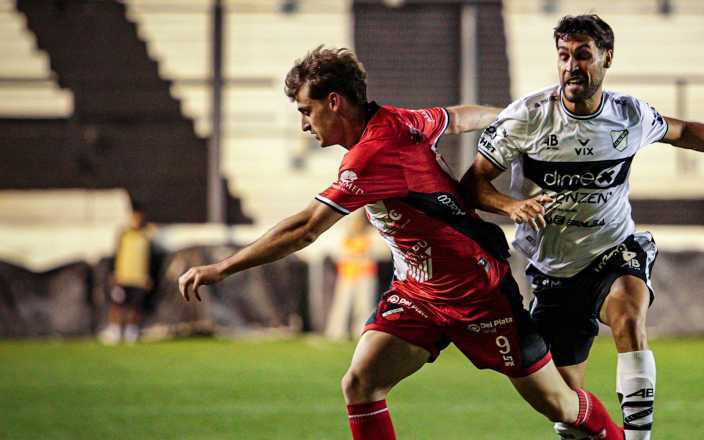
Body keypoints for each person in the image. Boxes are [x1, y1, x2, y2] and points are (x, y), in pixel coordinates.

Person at [177, 46, 624, 440]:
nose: (304, 125)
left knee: (562, 406)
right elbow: (458, 115)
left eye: (305, 111)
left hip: (477, 294)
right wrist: (512, 114)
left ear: (334, 102)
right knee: (361, 382)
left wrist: (223, 268)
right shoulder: (400, 119)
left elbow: (306, 229)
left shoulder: (371, 155)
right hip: (417, 295)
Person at [459, 15, 704, 440]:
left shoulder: (628, 115)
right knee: (565, 407)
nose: (571, 66)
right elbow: (471, 183)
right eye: (564, 56)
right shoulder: (529, 116)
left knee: (628, 316)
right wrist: (512, 205)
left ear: (606, 58)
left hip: (613, 248)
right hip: (553, 270)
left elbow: (684, 130)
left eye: (583, 55)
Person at [100, 200, 156, 344]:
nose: (136, 220)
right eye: (134, 217)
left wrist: (148, 276)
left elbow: (150, 258)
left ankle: (132, 331)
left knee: (135, 306)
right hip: (123, 277)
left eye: (139, 217)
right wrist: (114, 273)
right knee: (117, 305)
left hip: (139, 278)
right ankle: (115, 330)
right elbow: (116, 255)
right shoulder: (123, 234)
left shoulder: (146, 236)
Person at [325, 211, 378, 340]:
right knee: (342, 304)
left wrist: (358, 257)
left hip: (365, 274)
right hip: (348, 274)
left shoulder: (370, 236)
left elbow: (374, 255)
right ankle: (336, 332)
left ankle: (361, 331)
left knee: (364, 305)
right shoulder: (347, 238)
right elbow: (341, 255)